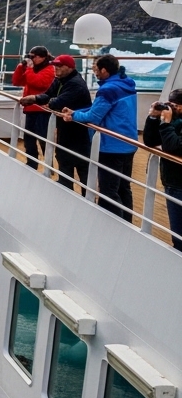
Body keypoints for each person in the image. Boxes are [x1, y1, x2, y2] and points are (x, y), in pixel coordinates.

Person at [64, 54, 138, 220]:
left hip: (111, 146)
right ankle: (127, 223)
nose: (95, 73)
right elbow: (101, 110)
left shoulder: (107, 90)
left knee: (108, 191)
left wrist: (73, 116)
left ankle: (112, 226)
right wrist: (77, 112)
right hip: (128, 142)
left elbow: (93, 117)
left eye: (96, 70)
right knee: (124, 188)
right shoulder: (127, 83)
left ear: (104, 70)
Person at [23, 55, 92, 191]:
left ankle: (87, 199)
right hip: (65, 129)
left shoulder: (76, 84)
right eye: (55, 65)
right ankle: (66, 191)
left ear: (70, 67)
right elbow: (49, 95)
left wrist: (43, 100)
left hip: (78, 132)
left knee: (81, 165)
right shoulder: (60, 80)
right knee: (63, 158)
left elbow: (57, 102)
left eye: (59, 66)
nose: (56, 68)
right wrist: (35, 98)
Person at [142, 89, 182, 251]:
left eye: (176, 106)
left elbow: (175, 146)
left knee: (180, 234)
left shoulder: (171, 123)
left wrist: (165, 124)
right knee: (177, 233)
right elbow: (150, 141)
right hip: (173, 182)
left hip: (179, 184)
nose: (173, 109)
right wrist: (153, 117)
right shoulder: (175, 122)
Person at [13, 46, 56, 169]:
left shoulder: (49, 69)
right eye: (29, 56)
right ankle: (32, 163)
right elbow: (17, 81)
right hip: (31, 109)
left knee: (43, 138)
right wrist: (21, 67)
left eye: (33, 57)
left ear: (42, 57)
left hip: (43, 109)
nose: (30, 59)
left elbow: (39, 83)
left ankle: (48, 165)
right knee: (28, 138)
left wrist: (30, 69)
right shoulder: (31, 69)